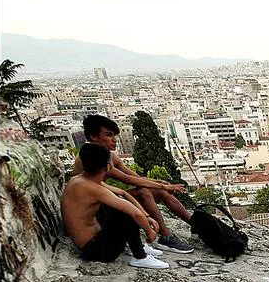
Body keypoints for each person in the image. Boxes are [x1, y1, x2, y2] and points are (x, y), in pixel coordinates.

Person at [73, 114, 195, 253]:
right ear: (94, 136)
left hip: (104, 199)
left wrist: (158, 183)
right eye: (108, 135)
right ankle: (166, 237)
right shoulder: (92, 157)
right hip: (95, 208)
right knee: (144, 192)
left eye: (114, 135)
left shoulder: (109, 155)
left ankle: (196, 225)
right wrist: (162, 185)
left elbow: (134, 176)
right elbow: (127, 179)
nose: (114, 140)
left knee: (159, 191)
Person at [61, 142, 170, 269]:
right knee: (126, 214)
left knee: (113, 206)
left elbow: (122, 192)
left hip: (91, 242)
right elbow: (134, 213)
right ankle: (140, 257)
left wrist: (147, 217)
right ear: (107, 166)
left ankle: (136, 245)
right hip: (97, 251)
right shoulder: (93, 189)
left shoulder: (80, 180)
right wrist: (149, 232)